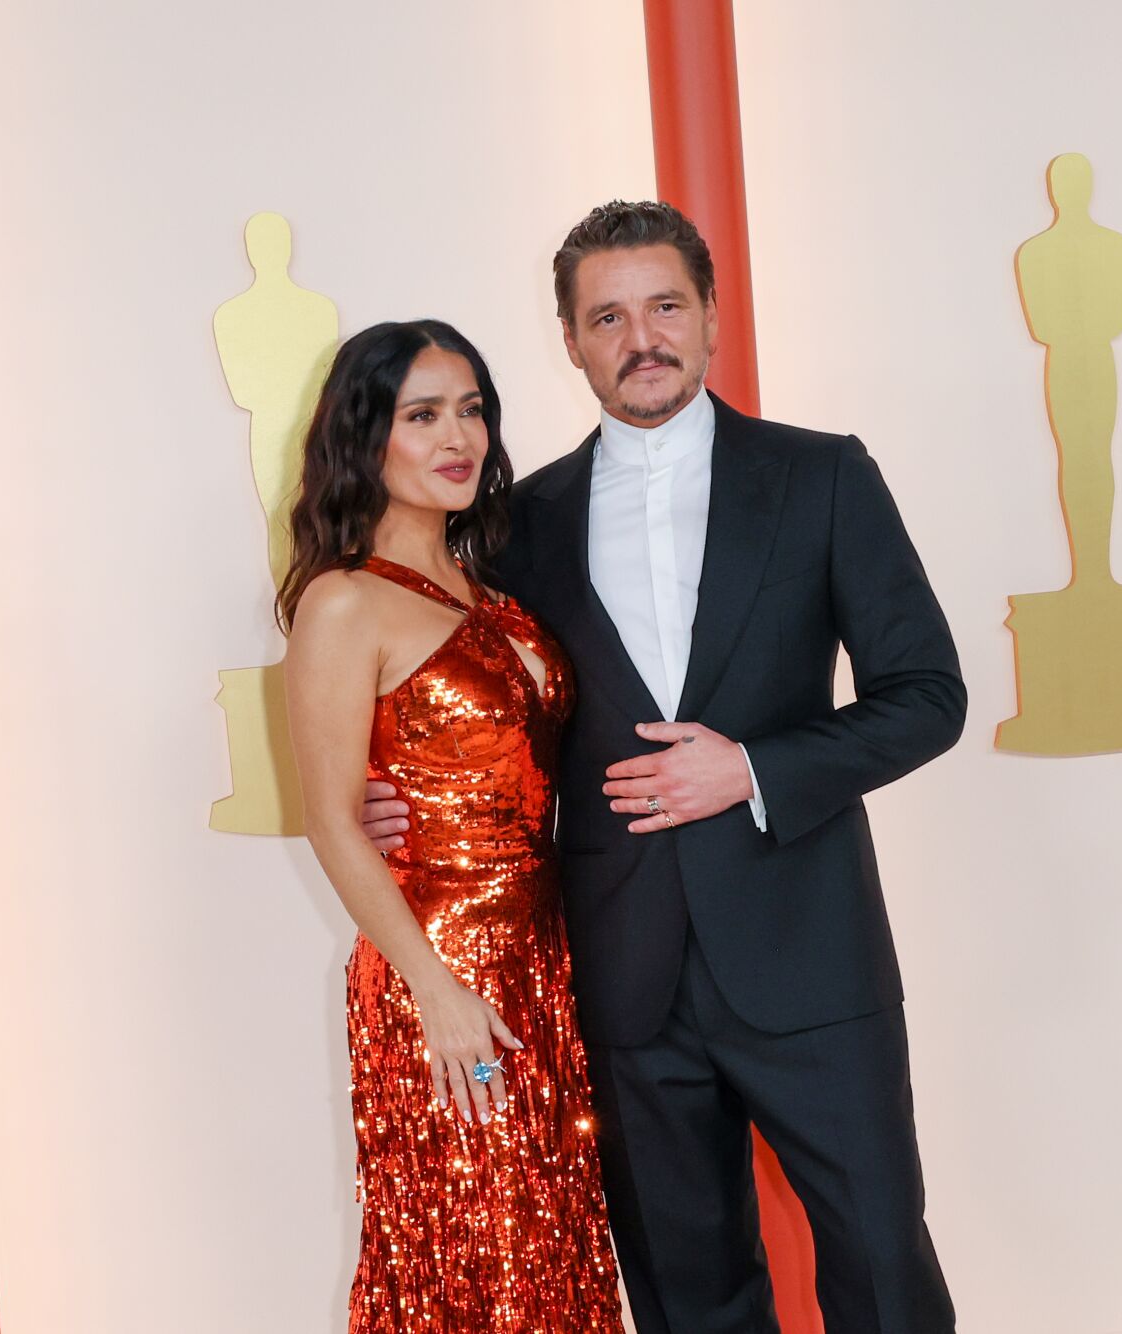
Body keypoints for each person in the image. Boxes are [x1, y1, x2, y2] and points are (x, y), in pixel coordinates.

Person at [362, 202, 964, 1332]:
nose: (639, 336)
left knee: (882, 1264)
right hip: (620, 973)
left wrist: (752, 768)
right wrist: (390, 787)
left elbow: (927, 697)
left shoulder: (823, 476)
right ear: (568, 339)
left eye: (663, 306)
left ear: (710, 317)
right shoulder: (512, 524)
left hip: (811, 963)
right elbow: (479, 705)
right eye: (606, 316)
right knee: (686, 1296)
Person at [282, 319, 624, 1331]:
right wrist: (433, 989)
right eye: (421, 414)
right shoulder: (343, 603)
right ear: (364, 437)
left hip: (543, 965)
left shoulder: (494, 590)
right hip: (440, 978)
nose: (456, 435)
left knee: (550, 1245)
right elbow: (333, 820)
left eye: (469, 409)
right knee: (477, 1247)